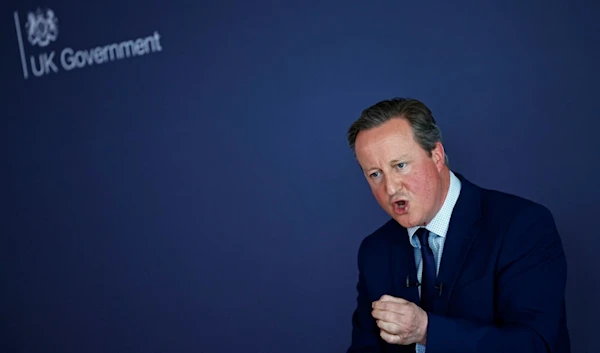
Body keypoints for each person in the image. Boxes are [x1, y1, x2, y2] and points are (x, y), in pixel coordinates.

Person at [345, 98, 571, 353]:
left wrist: (428, 331)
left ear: (437, 155)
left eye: (400, 166)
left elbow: (537, 345)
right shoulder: (375, 250)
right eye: (375, 174)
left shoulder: (522, 226)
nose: (390, 187)